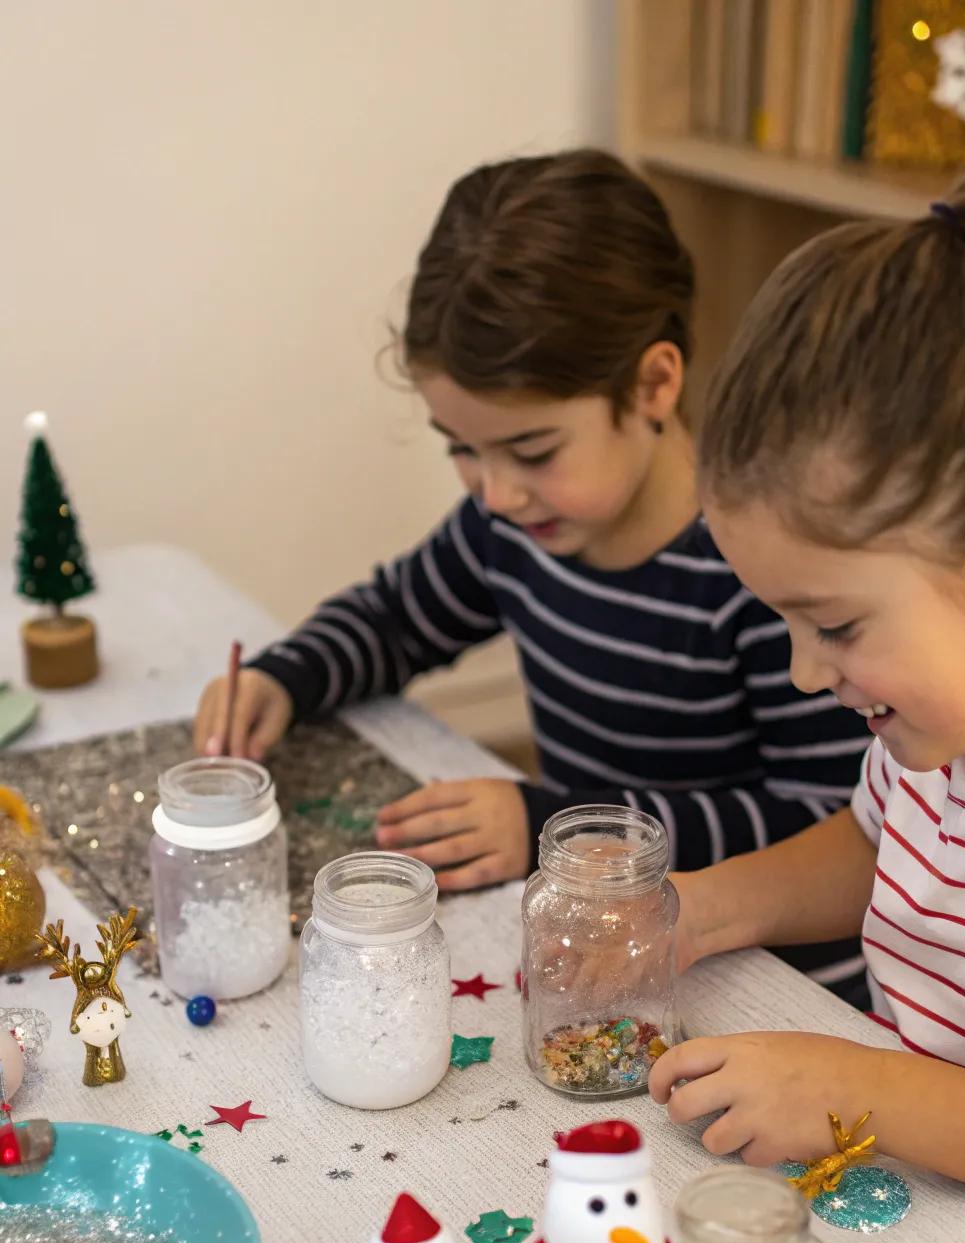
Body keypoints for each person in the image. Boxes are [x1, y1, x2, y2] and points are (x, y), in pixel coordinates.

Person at [194, 149, 866, 988]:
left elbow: (825, 822)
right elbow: (395, 618)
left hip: (769, 976)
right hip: (602, 939)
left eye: (532, 449)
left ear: (654, 384)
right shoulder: (512, 526)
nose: (498, 492)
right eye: (463, 451)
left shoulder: (763, 575)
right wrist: (285, 679)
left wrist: (560, 830)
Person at [650, 174, 965, 1203]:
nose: (801, 671)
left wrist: (861, 1092)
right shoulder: (948, 725)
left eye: (835, 626)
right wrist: (700, 909)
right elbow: (878, 844)